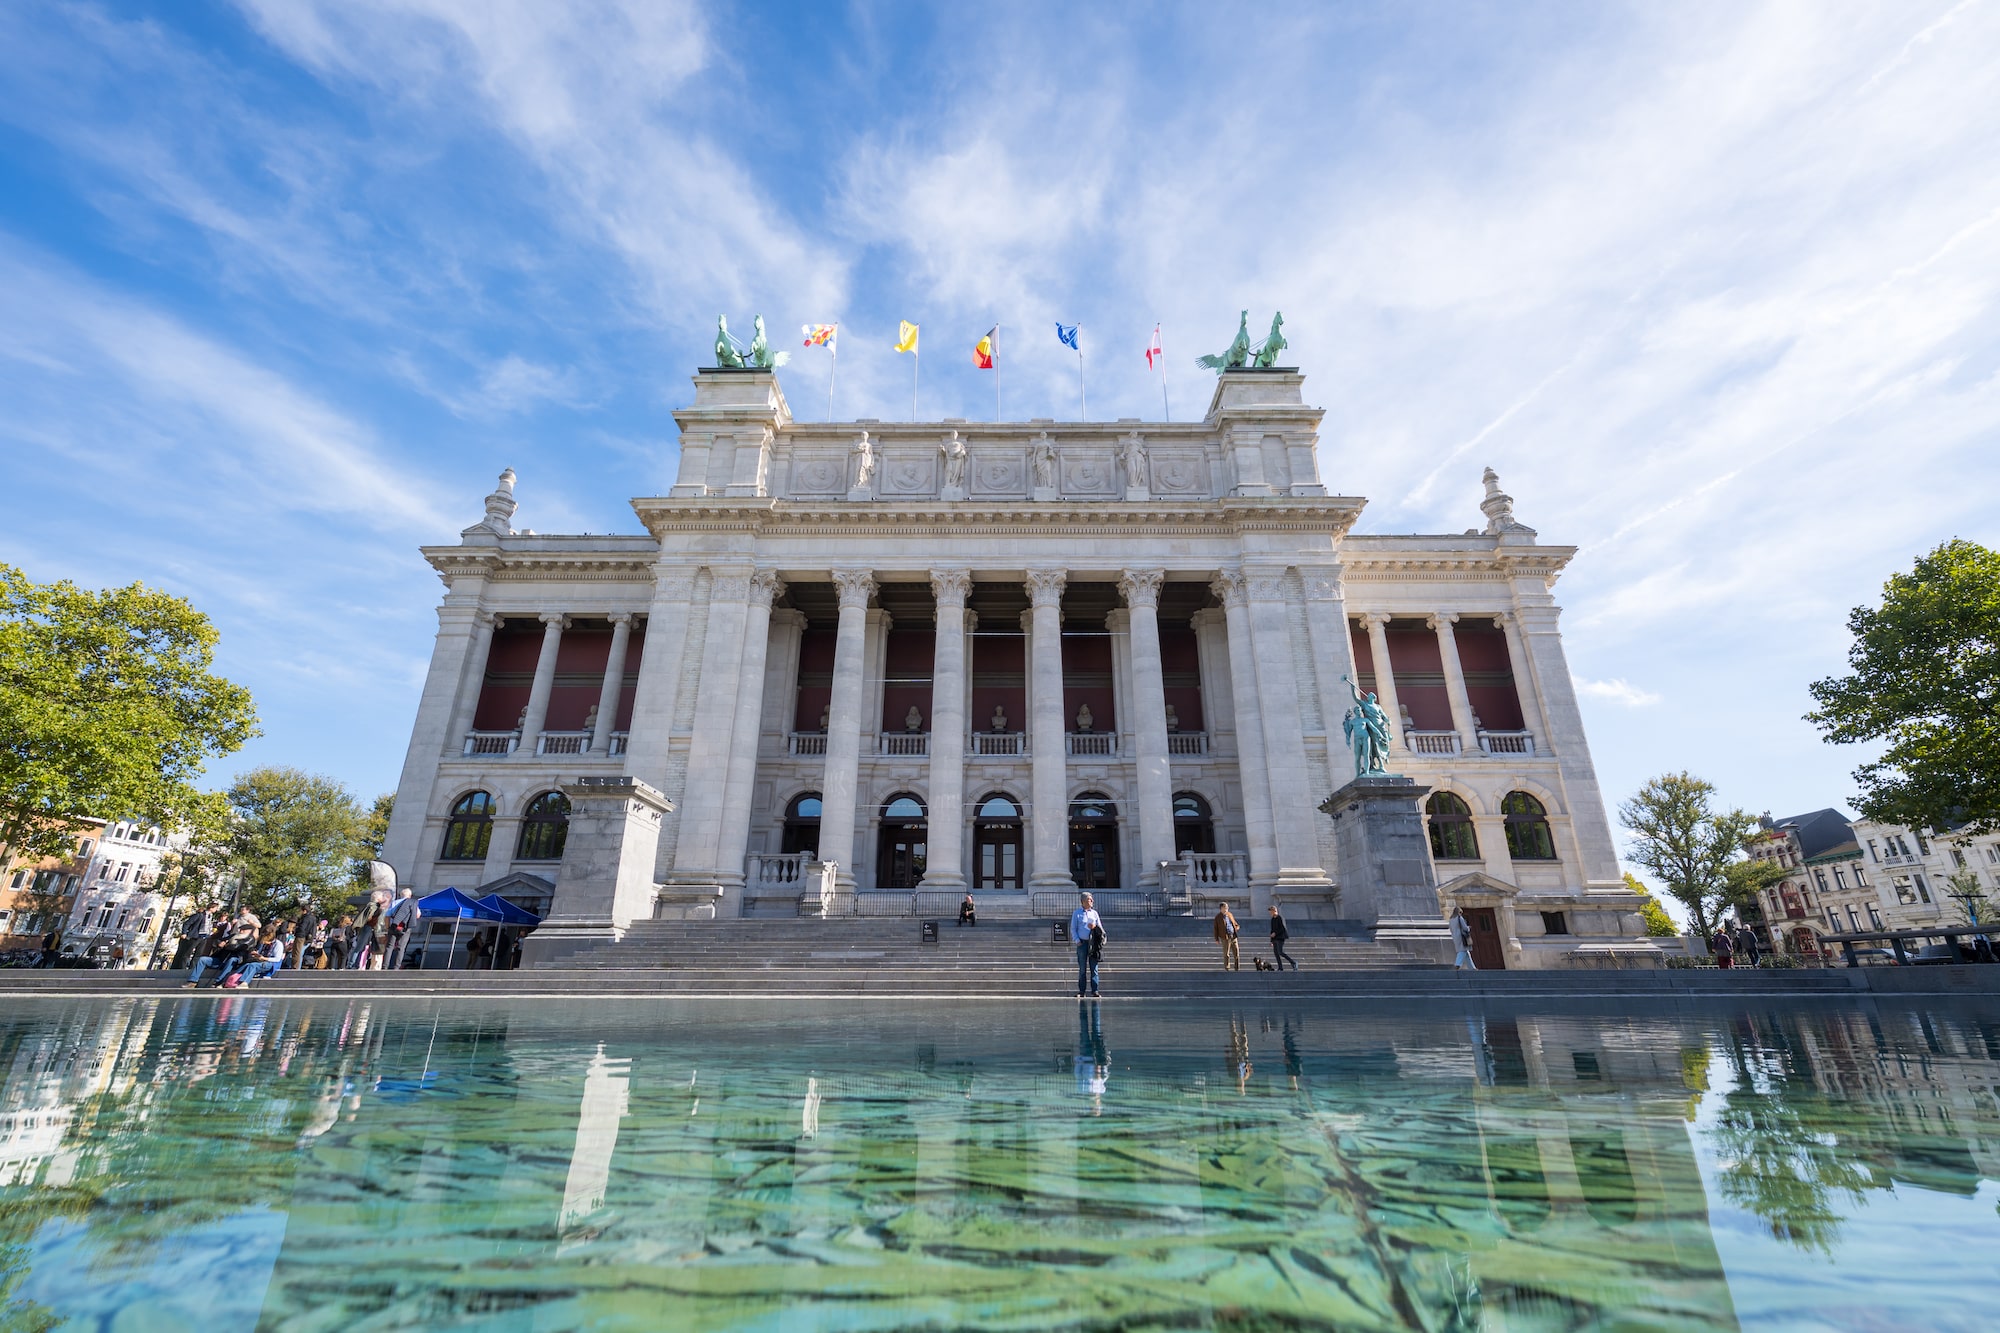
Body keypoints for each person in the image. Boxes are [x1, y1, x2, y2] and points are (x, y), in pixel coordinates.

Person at [1070, 893, 1104, 998]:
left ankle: (1095, 990)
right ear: (1083, 901)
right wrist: (1077, 940)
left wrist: (1094, 927)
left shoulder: (1094, 913)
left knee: (1094, 968)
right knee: (1082, 968)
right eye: (1089, 900)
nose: (1091, 901)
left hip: (1093, 944)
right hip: (1082, 943)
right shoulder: (1077, 913)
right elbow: (1073, 928)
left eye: (1091, 899)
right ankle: (1082, 991)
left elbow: (1101, 929)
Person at [384, 888, 420, 970]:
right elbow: (417, 915)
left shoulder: (394, 902)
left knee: (389, 947)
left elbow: (387, 915)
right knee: (401, 948)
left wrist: (387, 927)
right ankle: (396, 967)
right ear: (410, 896)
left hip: (393, 926)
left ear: (401, 895)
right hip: (405, 928)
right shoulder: (413, 903)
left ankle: (385, 966)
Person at [1268, 904, 1298, 972]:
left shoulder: (1279, 918)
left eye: (1271, 911)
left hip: (1280, 937)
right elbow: (1272, 930)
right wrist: (1271, 940)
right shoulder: (1272, 919)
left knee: (1280, 952)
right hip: (1275, 938)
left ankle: (1293, 962)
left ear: (1274, 911)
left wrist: (1275, 933)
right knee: (1276, 953)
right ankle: (1280, 967)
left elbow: (1282, 928)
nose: (1270, 913)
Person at [1213, 903, 1240, 971]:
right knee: (1226, 953)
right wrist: (1216, 939)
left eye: (1227, 908)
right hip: (1225, 937)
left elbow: (1234, 923)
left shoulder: (1230, 914)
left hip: (1233, 936)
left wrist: (1237, 927)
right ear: (1221, 908)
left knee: (1236, 952)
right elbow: (1215, 928)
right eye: (1225, 908)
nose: (1226, 909)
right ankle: (1227, 967)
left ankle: (1237, 967)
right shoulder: (1218, 917)